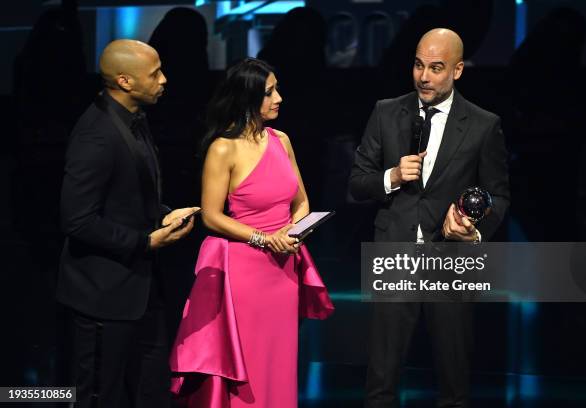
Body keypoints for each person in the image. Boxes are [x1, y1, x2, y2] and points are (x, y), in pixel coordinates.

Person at [349, 29, 510, 407]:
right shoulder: (387, 112)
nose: (424, 76)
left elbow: (498, 195)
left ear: (457, 70)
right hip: (394, 253)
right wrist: (391, 176)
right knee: (381, 378)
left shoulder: (484, 124)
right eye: (419, 65)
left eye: (436, 68)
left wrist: (474, 230)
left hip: (450, 259)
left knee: (454, 380)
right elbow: (357, 183)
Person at [169, 58, 334, 407]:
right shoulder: (223, 148)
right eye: (269, 92)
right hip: (244, 272)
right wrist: (262, 238)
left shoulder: (282, 140)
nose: (279, 98)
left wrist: (293, 230)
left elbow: (301, 201)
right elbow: (211, 216)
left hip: (283, 269)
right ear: (246, 98)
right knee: (249, 364)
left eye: (277, 89)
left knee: (279, 361)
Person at [57, 39, 199, 407]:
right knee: (98, 395)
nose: (165, 80)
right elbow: (78, 220)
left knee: (151, 389)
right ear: (124, 80)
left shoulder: (134, 120)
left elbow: (129, 197)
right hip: (103, 295)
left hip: (141, 288)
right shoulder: (96, 134)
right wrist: (145, 242)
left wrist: (163, 213)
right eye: (155, 74)